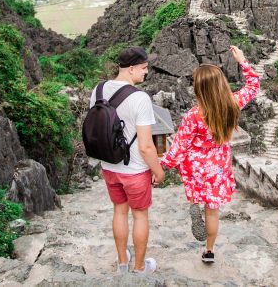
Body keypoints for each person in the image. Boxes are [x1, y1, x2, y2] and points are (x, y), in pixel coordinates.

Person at [160, 45, 260, 263]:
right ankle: (209, 251)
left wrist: (161, 168)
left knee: (196, 188)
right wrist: (242, 61)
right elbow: (253, 87)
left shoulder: (193, 116)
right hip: (218, 165)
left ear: (199, 90)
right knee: (212, 211)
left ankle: (194, 202)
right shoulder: (232, 104)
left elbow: (178, 148)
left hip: (196, 168)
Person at [89, 46, 165, 274]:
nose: (146, 72)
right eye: (143, 68)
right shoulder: (140, 98)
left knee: (119, 211)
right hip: (134, 171)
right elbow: (146, 146)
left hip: (108, 166)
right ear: (131, 69)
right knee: (140, 215)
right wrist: (159, 171)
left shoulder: (98, 89)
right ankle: (140, 268)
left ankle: (123, 262)